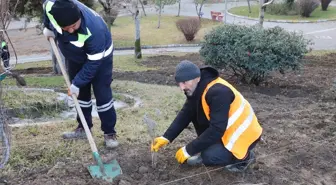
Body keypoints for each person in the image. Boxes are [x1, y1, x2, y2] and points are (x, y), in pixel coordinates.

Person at [151, 60, 263, 172]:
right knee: (197, 116)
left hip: (243, 135)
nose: (181, 87)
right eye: (179, 83)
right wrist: (166, 137)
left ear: (197, 78)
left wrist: (188, 150)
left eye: (184, 82)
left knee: (210, 156)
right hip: (226, 131)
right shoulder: (197, 88)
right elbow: (186, 113)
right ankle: (213, 149)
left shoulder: (218, 92)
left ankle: (246, 159)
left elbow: (217, 129)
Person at [42, 0, 118, 148]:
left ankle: (109, 133)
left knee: (103, 95)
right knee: (80, 95)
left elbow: (93, 64)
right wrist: (47, 27)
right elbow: (47, 13)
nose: (70, 30)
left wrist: (77, 82)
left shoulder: (95, 30)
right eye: (66, 27)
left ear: (79, 19)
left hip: (99, 59)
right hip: (74, 56)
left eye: (74, 26)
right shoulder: (50, 6)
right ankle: (83, 128)